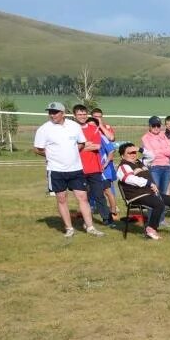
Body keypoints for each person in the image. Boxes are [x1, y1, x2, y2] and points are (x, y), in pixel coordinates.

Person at [33, 102, 106, 238]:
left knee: (83, 197)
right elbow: (37, 148)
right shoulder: (44, 129)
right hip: (55, 170)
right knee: (62, 198)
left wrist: (72, 152)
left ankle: (90, 227)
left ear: (63, 113)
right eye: (50, 112)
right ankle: (69, 228)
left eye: (55, 112)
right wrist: (51, 155)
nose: (52, 115)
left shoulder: (74, 126)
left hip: (76, 169)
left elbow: (81, 143)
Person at [115, 142, 170, 240]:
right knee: (159, 204)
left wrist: (139, 149)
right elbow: (129, 179)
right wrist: (148, 183)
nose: (133, 154)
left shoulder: (140, 162)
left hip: (149, 193)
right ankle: (151, 229)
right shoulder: (123, 166)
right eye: (129, 153)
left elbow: (151, 155)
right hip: (136, 196)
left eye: (134, 152)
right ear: (122, 155)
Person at [72, 105, 116, 228]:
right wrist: (85, 145)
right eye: (79, 114)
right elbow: (70, 147)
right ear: (75, 115)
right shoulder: (71, 129)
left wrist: (81, 146)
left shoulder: (93, 128)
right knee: (83, 197)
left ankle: (107, 219)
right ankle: (87, 221)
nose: (82, 116)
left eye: (84, 114)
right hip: (78, 168)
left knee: (99, 195)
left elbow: (97, 146)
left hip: (94, 168)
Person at [91, 107, 120, 219]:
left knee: (108, 185)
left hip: (106, 162)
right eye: (95, 117)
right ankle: (93, 205)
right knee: (92, 185)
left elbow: (111, 138)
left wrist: (101, 126)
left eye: (99, 117)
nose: (97, 119)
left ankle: (113, 208)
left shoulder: (106, 127)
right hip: (93, 162)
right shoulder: (89, 127)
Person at [141, 116, 170, 199]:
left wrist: (158, 150)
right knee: (154, 193)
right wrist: (164, 150)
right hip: (154, 168)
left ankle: (161, 212)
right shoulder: (145, 138)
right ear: (149, 126)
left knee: (163, 195)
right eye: (154, 125)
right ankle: (152, 212)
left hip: (166, 167)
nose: (156, 127)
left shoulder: (163, 135)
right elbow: (151, 154)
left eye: (158, 125)